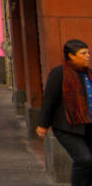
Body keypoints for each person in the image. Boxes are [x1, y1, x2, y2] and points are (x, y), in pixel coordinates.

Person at [37, 39, 92, 186]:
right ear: (71, 56)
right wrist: (43, 124)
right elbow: (49, 100)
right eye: (83, 53)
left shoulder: (89, 74)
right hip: (67, 127)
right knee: (84, 159)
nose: (88, 56)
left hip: (88, 125)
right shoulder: (59, 73)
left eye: (88, 53)